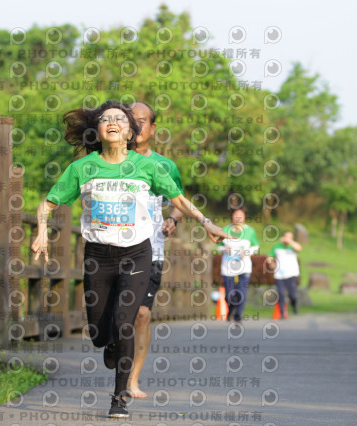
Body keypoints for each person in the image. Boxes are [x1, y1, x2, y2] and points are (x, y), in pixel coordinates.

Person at [31, 100, 231, 419]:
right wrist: (41, 231)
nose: (113, 122)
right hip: (98, 256)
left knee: (126, 321)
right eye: (106, 119)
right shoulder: (83, 168)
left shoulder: (148, 166)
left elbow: (178, 199)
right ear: (97, 129)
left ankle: (119, 396)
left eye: (120, 119)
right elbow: (49, 202)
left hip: (137, 253)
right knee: (99, 332)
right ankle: (109, 344)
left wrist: (206, 222)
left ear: (130, 131)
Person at [126, 102, 184, 399]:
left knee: (143, 314)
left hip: (151, 250)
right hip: (114, 251)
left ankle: (133, 379)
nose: (136, 126)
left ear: (152, 128)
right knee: (116, 315)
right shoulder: (110, 160)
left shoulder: (166, 166)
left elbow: (178, 202)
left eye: (141, 121)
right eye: (130, 121)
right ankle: (114, 350)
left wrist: (173, 220)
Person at [216, 207, 259, 322]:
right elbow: (218, 245)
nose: (238, 217)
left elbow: (256, 246)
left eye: (241, 215)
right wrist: (225, 249)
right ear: (232, 216)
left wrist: (247, 252)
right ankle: (231, 308)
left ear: (245, 217)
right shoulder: (225, 229)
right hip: (228, 267)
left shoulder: (250, 231)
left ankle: (238, 315)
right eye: (236, 215)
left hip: (244, 266)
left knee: (242, 292)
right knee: (229, 294)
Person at [269, 231, 302, 318]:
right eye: (286, 237)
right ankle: (282, 312)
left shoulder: (293, 246)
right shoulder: (277, 246)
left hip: (291, 274)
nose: (287, 239)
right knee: (281, 293)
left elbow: (299, 248)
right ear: (282, 237)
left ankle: (294, 305)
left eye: (290, 237)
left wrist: (290, 242)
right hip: (279, 274)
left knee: (292, 295)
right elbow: (270, 257)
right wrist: (271, 262)